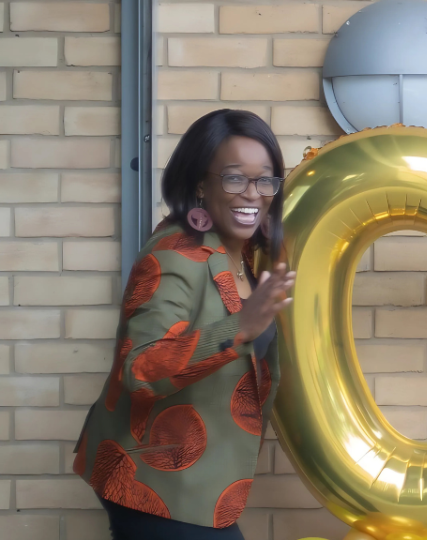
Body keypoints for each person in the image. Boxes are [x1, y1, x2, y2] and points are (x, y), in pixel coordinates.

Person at [72, 109, 296, 539]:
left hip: (202, 483)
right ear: (200, 184)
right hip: (154, 483)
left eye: (265, 180)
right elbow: (140, 369)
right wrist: (239, 328)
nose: (253, 194)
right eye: (235, 178)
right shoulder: (175, 254)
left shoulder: (242, 253)